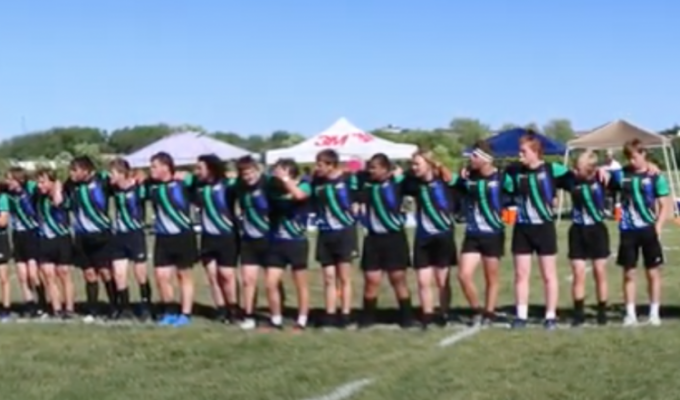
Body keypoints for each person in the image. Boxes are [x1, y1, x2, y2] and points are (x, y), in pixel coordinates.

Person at [505, 134, 571, 329]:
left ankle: (550, 316)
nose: (520, 155)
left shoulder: (553, 169)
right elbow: (494, 176)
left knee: (548, 274)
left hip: (544, 228)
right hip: (522, 228)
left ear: (536, 152)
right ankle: (521, 316)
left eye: (524, 151)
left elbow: (577, 177)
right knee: (521, 274)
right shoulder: (514, 171)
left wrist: (601, 172)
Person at [610, 139, 670, 326]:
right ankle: (630, 314)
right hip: (628, 230)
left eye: (634, 156)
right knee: (629, 273)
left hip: (648, 229)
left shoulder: (655, 176)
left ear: (644, 154)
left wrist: (658, 226)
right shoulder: (621, 175)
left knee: (653, 273)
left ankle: (654, 313)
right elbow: (600, 177)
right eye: (628, 157)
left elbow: (664, 204)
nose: (631, 161)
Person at [358, 153, 414, 328]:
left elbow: (412, 184)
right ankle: (367, 318)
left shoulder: (398, 184)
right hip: (373, 238)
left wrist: (400, 175)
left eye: (374, 167)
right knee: (371, 279)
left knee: (398, 278)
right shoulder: (366, 185)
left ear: (385, 169)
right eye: (369, 167)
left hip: (394, 237)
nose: (370, 170)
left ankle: (406, 317)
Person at [457, 141, 510, 326]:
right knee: (463, 275)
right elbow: (456, 187)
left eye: (474, 156)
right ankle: (477, 309)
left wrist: (505, 220)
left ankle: (489, 312)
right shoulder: (470, 176)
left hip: (493, 234)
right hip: (472, 233)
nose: (471, 159)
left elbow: (512, 199)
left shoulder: (501, 178)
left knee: (491, 277)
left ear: (486, 160)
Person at [405, 151, 457, 328]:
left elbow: (453, 179)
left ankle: (444, 313)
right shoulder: (413, 184)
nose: (414, 167)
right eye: (412, 164)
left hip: (443, 236)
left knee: (442, 281)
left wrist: (438, 164)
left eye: (417, 164)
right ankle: (427, 315)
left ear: (428, 164)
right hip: (423, 237)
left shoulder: (443, 181)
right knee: (422, 281)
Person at [145, 152, 197, 327]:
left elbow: (200, 179)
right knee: (161, 276)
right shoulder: (151, 187)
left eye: (154, 166)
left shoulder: (183, 183)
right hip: (162, 237)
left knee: (184, 276)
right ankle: (169, 311)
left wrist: (189, 175)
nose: (150, 170)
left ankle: (186, 313)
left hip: (183, 236)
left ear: (165, 167)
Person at [312, 149, 360, 328]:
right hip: (325, 233)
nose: (317, 168)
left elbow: (359, 194)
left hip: (344, 233)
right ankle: (330, 314)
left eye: (321, 164)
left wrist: (357, 204)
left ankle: (346, 314)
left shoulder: (347, 179)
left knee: (344, 277)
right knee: (328, 278)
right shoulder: (317, 182)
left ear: (331, 165)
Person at [65, 156, 116, 321]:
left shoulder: (102, 181)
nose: (71, 173)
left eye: (75, 170)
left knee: (105, 272)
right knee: (89, 274)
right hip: (81, 235)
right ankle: (92, 309)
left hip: (101, 234)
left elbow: (120, 182)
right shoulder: (71, 185)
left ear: (86, 171)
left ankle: (114, 306)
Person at [192, 154, 240, 323]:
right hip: (207, 237)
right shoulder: (198, 187)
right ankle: (221, 309)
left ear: (210, 169)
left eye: (200, 168)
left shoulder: (227, 185)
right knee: (212, 275)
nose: (196, 171)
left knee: (226, 275)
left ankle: (233, 308)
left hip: (227, 236)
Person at [265, 159, 311, 330]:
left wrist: (286, 180)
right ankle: (276, 319)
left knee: (300, 284)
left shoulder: (304, 185)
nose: (275, 173)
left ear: (289, 171)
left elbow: (299, 196)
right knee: (270, 283)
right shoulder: (272, 188)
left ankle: (302, 320)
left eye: (279, 170)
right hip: (277, 241)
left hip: (296, 241)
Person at [564, 151, 610, 326]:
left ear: (590, 169)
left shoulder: (603, 179)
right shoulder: (571, 181)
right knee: (578, 273)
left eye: (578, 168)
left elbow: (625, 173)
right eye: (574, 168)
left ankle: (602, 311)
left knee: (599, 272)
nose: (575, 171)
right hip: (577, 230)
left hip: (597, 230)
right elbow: (553, 170)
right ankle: (578, 313)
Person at [108, 159, 153, 320]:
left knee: (140, 273)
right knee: (119, 274)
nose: (109, 176)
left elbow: (150, 181)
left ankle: (146, 305)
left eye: (112, 173)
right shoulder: (113, 188)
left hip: (136, 235)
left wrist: (143, 175)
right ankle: (125, 307)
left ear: (122, 174)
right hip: (119, 235)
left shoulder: (139, 188)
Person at [234, 156, 271, 330]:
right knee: (248, 280)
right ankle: (249, 315)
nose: (247, 176)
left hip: (269, 237)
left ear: (257, 170)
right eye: (243, 173)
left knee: (272, 282)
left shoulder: (269, 184)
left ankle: (277, 314)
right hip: (249, 238)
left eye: (249, 172)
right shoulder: (240, 187)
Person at [5, 167, 47, 317]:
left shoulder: (30, 189)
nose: (7, 181)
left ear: (19, 180)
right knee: (22, 275)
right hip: (18, 235)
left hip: (32, 233)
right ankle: (30, 304)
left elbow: (43, 188)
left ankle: (42, 302)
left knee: (33, 274)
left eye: (10, 178)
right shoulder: (8, 192)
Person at [35, 168, 75, 318]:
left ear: (51, 182)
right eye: (38, 182)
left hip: (61, 238)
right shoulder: (38, 196)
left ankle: (69, 308)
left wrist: (57, 187)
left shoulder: (62, 194)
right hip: (45, 239)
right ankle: (56, 309)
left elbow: (61, 199)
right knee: (48, 275)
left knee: (64, 273)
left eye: (43, 182)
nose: (39, 185)